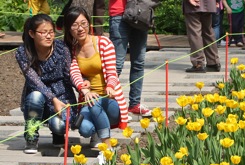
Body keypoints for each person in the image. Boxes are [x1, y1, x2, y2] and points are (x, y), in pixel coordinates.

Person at [64, 7, 129, 149]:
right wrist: (85, 90)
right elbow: (74, 74)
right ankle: (97, 131)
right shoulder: (72, 50)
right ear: (69, 29)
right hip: (89, 100)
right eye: (75, 25)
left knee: (95, 102)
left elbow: (112, 72)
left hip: (110, 101)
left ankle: (107, 147)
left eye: (83, 23)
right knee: (85, 129)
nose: (80, 28)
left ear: (89, 24)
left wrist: (110, 86)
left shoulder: (103, 43)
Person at [15, 14, 77, 154]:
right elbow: (35, 82)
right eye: (43, 32)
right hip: (38, 98)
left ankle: (58, 134)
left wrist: (82, 85)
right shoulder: (23, 53)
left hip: (62, 95)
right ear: (32, 33)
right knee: (35, 96)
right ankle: (31, 136)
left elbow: (68, 75)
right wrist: (52, 99)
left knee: (59, 125)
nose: (49, 36)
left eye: (51, 32)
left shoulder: (62, 49)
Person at [108, 0, 152, 116]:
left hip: (141, 13)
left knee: (139, 63)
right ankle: (107, 104)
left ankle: (135, 104)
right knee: (116, 64)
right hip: (119, 14)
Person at [183, 0, 221, 73]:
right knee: (208, 31)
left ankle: (198, 63)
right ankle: (213, 62)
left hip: (194, 4)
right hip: (209, 3)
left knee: (194, 33)